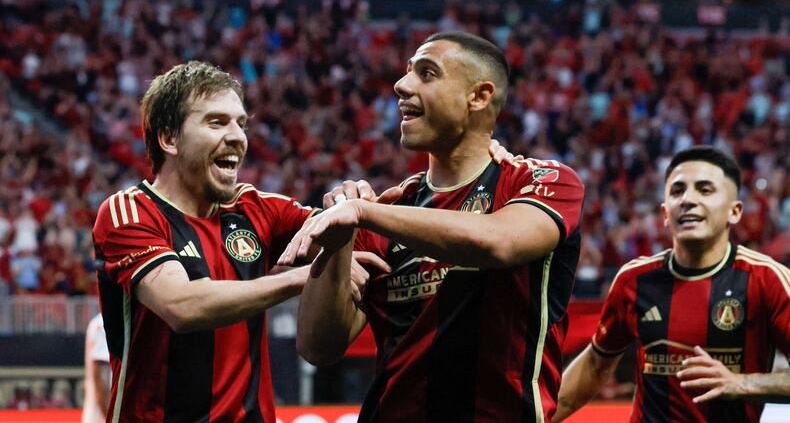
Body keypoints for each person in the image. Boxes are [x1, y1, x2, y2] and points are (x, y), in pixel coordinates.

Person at [91, 60, 516, 422]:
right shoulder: (129, 212)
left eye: (241, 123)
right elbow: (181, 306)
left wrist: (474, 156)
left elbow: (358, 231)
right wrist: (299, 280)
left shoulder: (257, 209)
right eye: (216, 122)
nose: (237, 136)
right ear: (169, 139)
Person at [278, 31, 585, 422]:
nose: (401, 86)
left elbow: (501, 242)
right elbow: (318, 347)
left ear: (479, 96)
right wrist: (339, 245)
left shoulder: (540, 181)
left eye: (427, 73)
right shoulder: (391, 209)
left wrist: (362, 213)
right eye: (407, 73)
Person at [553, 146, 790, 422]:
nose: (688, 199)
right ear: (665, 213)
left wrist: (742, 384)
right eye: (677, 191)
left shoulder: (766, 279)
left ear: (734, 212)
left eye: (705, 190)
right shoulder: (634, 280)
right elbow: (595, 365)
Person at [82, 313, 110, 423]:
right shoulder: (103, 323)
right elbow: (99, 376)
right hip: (101, 415)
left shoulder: (100, 321)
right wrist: (108, 417)